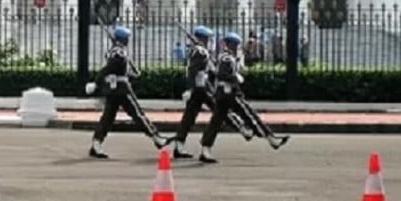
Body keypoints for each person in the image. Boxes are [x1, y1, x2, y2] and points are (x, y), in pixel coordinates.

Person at [198, 33, 289, 163]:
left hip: (224, 94)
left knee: (216, 122)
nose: (237, 48)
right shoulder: (227, 58)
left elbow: (215, 74)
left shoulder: (226, 57)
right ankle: (270, 138)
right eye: (236, 45)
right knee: (250, 116)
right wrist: (235, 77)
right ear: (231, 45)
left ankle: (205, 150)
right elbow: (222, 74)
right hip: (229, 94)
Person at [86, 26, 173, 159]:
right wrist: (97, 82)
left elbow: (119, 70)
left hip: (116, 89)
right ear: (123, 39)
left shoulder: (116, 51)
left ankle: (96, 143)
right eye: (127, 38)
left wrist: (132, 74)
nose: (128, 40)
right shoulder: (118, 53)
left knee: (108, 117)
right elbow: (109, 69)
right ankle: (156, 138)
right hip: (121, 89)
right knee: (137, 114)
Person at [172, 26, 253, 160]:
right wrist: (190, 89)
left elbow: (211, 69)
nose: (210, 41)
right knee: (219, 112)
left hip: (202, 87)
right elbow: (192, 71)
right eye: (208, 38)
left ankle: (180, 145)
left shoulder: (199, 51)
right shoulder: (200, 51)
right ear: (203, 38)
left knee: (191, 115)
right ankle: (239, 129)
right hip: (202, 88)